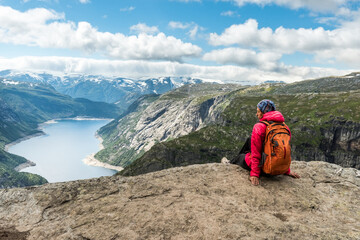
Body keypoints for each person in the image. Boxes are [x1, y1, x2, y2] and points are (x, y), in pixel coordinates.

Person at [222, 99, 300, 186]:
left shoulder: (259, 127)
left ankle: (229, 163)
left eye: (258, 111)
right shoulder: (284, 126)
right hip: (279, 167)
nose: (256, 114)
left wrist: (254, 174)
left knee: (240, 157)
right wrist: (286, 170)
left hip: (267, 169)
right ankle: (244, 156)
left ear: (263, 112)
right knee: (250, 139)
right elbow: (284, 149)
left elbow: (256, 154)